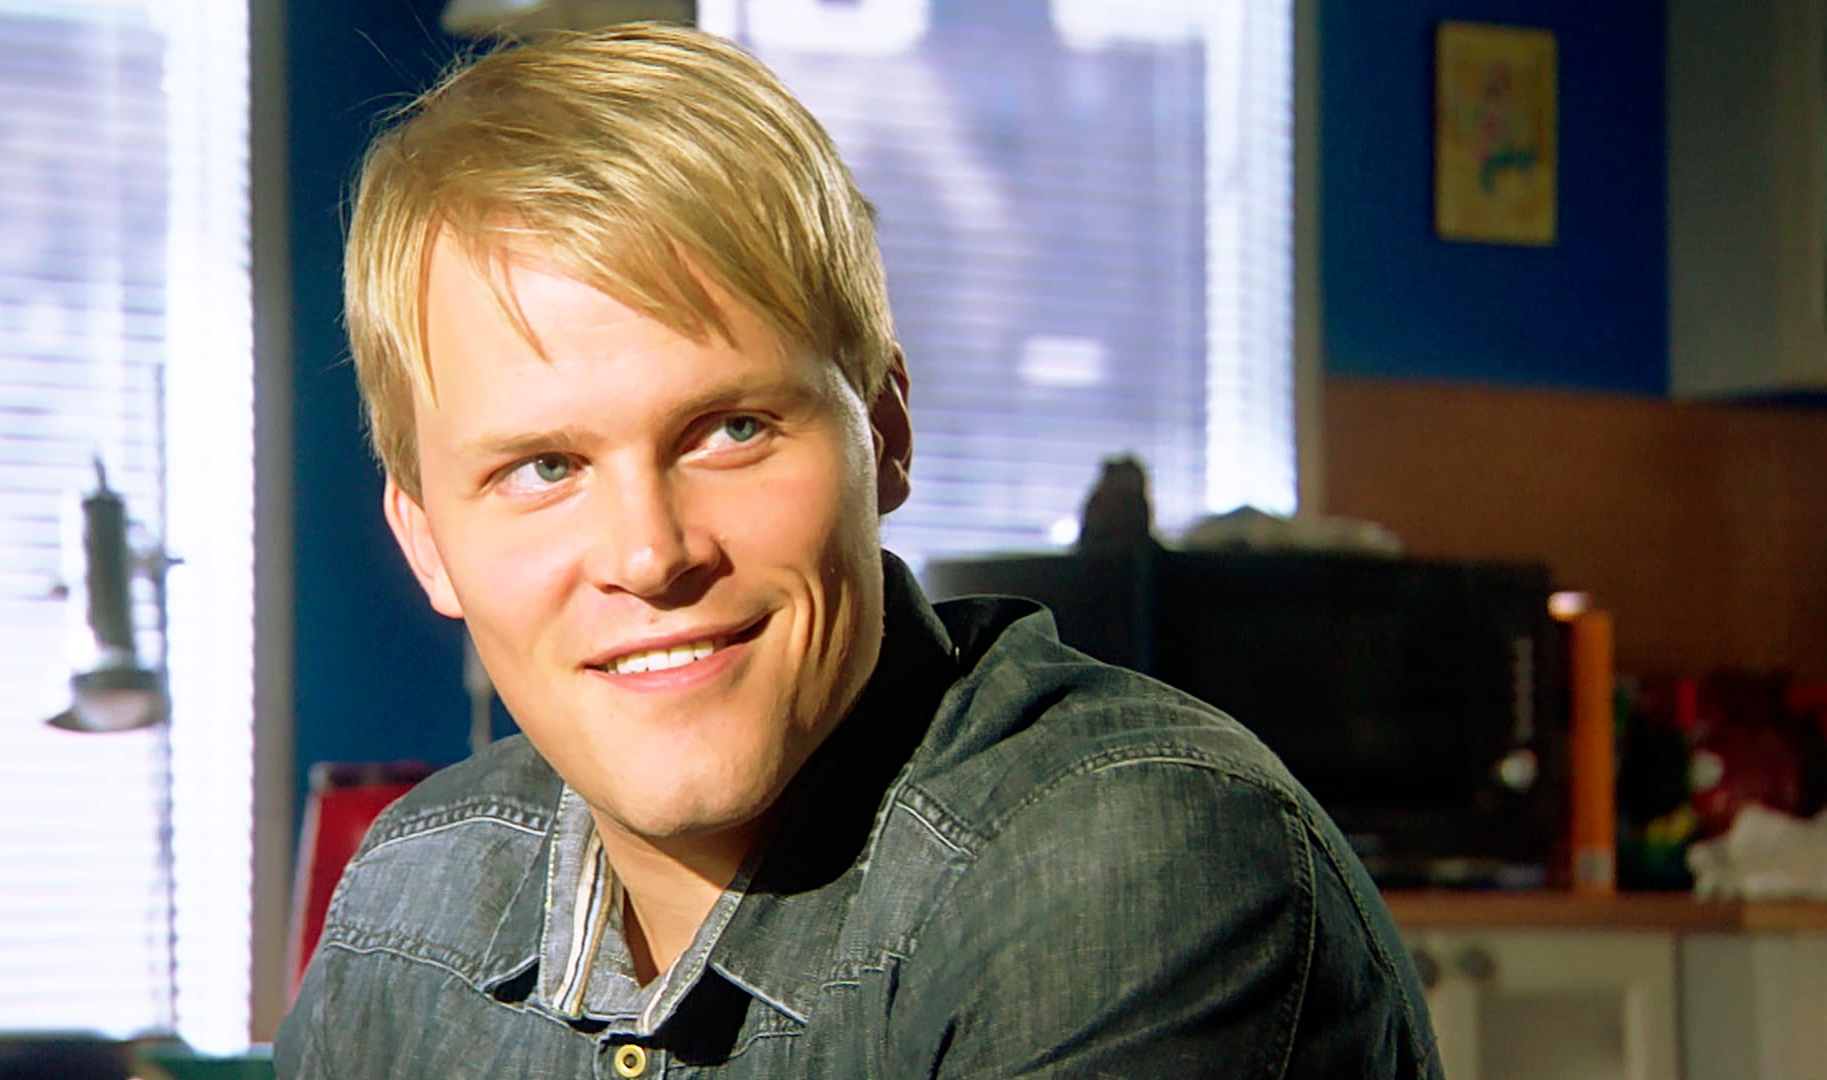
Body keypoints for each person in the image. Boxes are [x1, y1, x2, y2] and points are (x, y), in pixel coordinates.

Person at [277, 22, 1442, 1079]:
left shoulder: (1133, 866)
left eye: (731, 430)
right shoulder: (408, 908)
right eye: (543, 468)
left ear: (884, 435)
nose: (650, 554)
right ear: (427, 543)